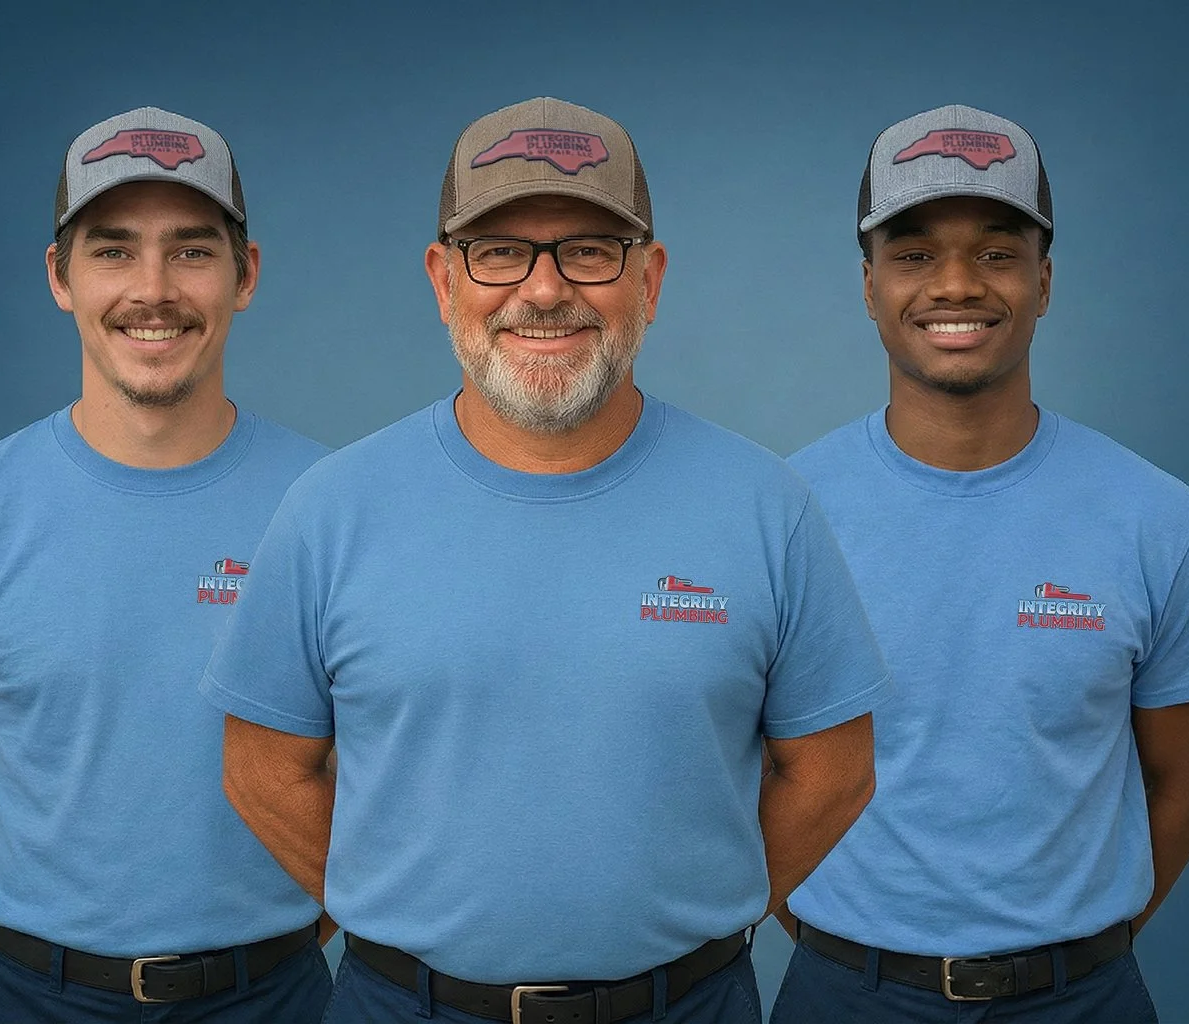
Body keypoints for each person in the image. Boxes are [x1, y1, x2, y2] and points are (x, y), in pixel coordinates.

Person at [200, 96, 891, 1024]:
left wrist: (688, 921)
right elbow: (262, 769)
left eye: (589, 250)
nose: (543, 289)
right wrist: (405, 911)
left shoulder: (766, 505)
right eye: (500, 251)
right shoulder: (332, 508)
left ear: (649, 281)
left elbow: (834, 771)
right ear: (444, 280)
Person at [775, 104, 1189, 1023]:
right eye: (913, 254)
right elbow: (749, 770)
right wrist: (858, 952)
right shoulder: (783, 514)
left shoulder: (1156, 517)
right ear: (868, 283)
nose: (956, 283)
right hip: (844, 996)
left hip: (1084, 1000)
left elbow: (1184, 786)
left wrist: (1071, 953)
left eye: (997, 252)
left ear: (1044, 280)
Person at [0, 106, 333, 1022]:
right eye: (113, 250)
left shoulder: (333, 508)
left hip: (277, 1001)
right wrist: (49, 964)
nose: (153, 288)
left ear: (247, 275)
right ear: (59, 277)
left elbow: (377, 778)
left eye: (192, 250)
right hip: (30, 1001)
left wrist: (265, 955)